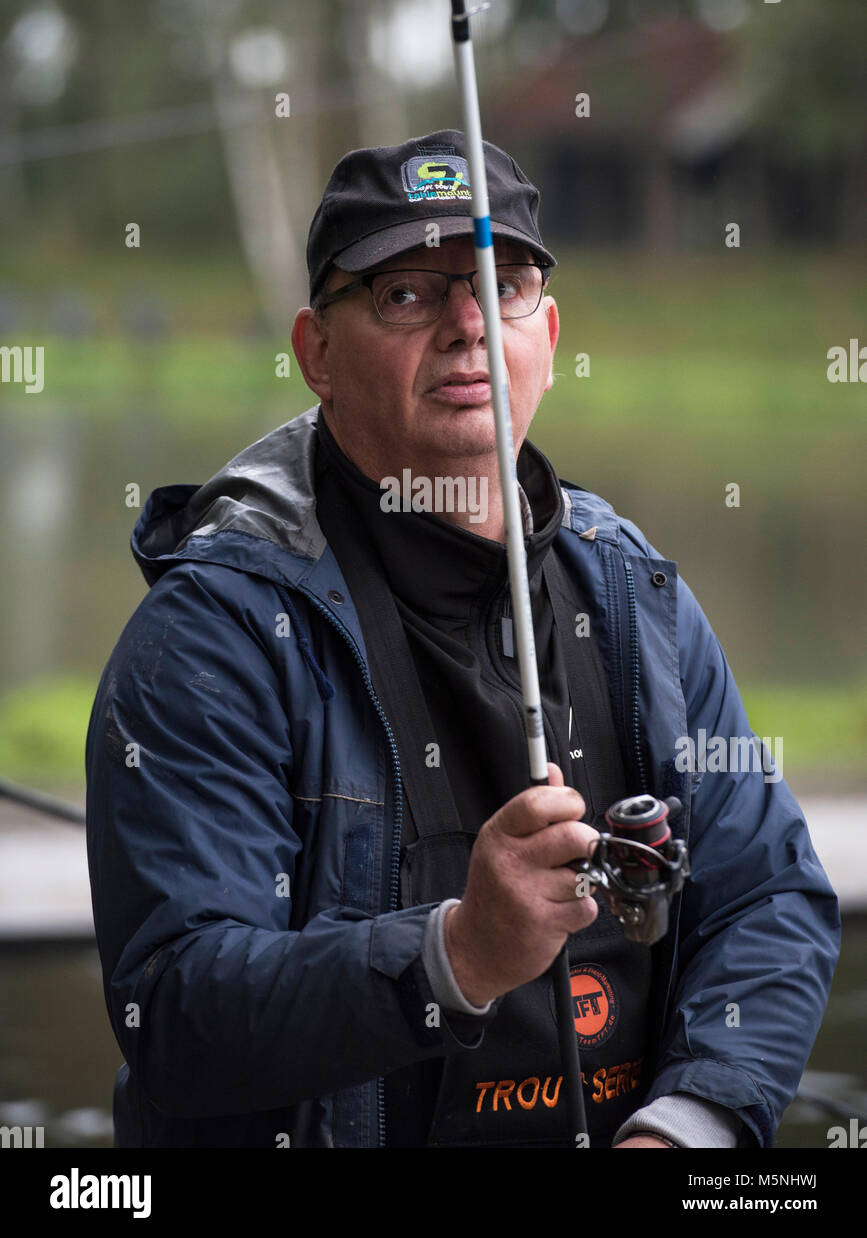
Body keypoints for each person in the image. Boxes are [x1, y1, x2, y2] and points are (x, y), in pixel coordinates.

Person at [85, 129, 840, 1149]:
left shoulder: (636, 594)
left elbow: (768, 894)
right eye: (405, 293)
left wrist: (687, 1126)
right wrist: (456, 954)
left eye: (503, 285)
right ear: (316, 352)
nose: (468, 326)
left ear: (551, 333)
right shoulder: (210, 637)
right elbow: (174, 1011)